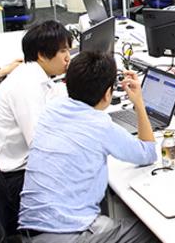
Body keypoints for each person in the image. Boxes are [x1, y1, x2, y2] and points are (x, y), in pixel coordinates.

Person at [18, 51, 159, 243]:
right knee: (154, 230)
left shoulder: (51, 109)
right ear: (108, 94)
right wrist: (139, 103)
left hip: (29, 230)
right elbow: (148, 153)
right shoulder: (101, 125)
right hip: (69, 235)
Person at [0, 20, 72, 174]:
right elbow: (40, 146)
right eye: (63, 51)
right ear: (42, 55)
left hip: (6, 159)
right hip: (4, 172)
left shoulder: (33, 73)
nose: (68, 57)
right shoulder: (27, 85)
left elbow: (55, 93)